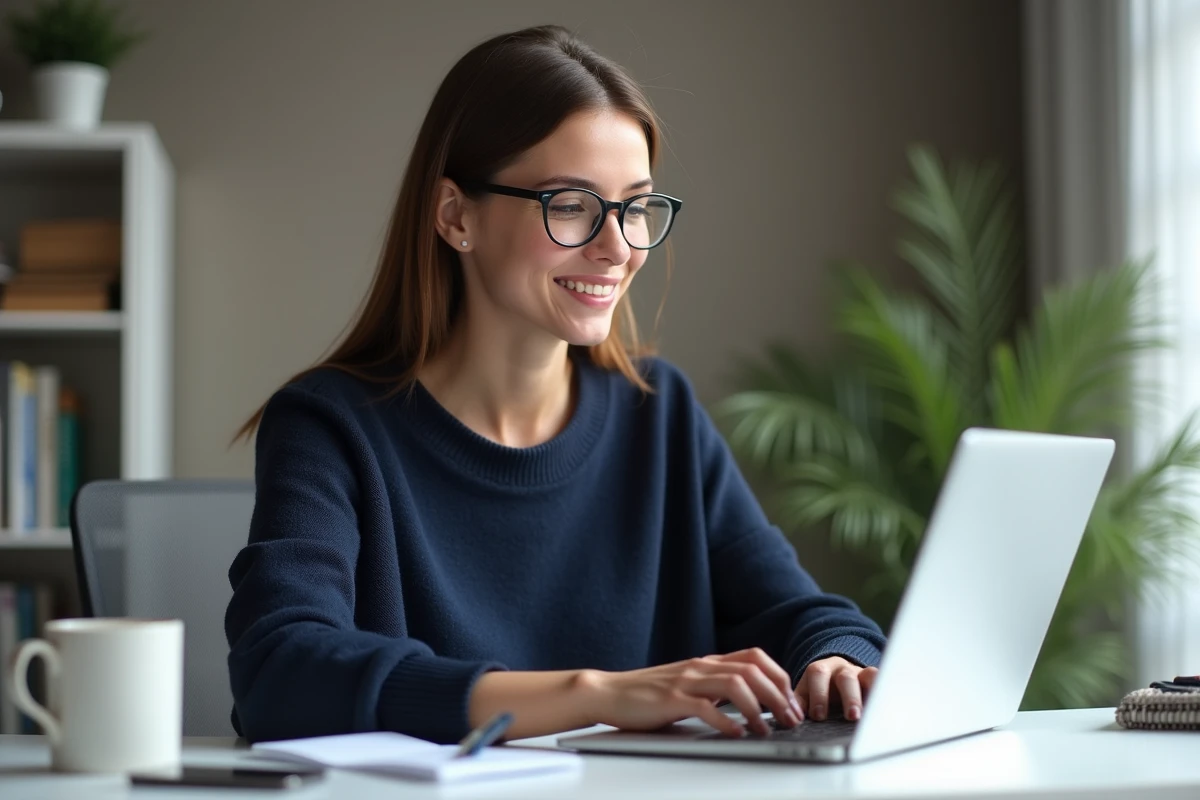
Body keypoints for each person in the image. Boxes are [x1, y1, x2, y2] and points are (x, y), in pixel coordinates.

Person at [225, 23, 886, 746]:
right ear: (455, 217)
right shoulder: (330, 424)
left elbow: (804, 614)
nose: (618, 247)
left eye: (635, 207)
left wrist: (838, 659)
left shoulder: (658, 414)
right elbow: (281, 671)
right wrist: (595, 694)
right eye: (570, 205)